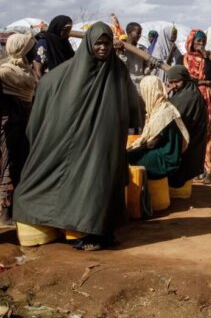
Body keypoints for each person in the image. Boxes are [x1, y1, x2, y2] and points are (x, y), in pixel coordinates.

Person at [13, 22, 141, 251]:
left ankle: (103, 231)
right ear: (89, 44)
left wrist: (133, 122)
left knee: (103, 183)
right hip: (81, 140)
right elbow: (52, 92)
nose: (103, 48)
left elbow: (131, 101)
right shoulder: (70, 73)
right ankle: (87, 232)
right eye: (98, 43)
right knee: (87, 182)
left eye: (107, 43)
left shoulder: (118, 70)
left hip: (108, 139)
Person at [0, 33, 38, 225]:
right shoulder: (5, 72)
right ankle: (4, 213)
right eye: (32, 49)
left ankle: (16, 208)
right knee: (7, 165)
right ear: (22, 50)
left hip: (25, 122)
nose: (36, 52)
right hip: (10, 123)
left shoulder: (29, 71)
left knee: (22, 165)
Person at [127, 76, 190, 179]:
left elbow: (152, 144)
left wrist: (133, 149)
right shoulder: (163, 107)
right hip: (166, 154)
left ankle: (141, 193)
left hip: (167, 160)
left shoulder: (162, 113)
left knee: (127, 158)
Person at [183, 30, 211, 183]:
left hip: (208, 100)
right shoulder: (184, 59)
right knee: (192, 135)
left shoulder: (210, 58)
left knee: (208, 136)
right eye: (198, 40)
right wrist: (200, 82)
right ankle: (196, 169)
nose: (202, 43)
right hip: (191, 99)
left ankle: (208, 170)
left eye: (204, 40)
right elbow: (184, 79)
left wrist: (205, 58)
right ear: (191, 41)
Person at [165, 65, 209, 189]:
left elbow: (171, 118)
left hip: (189, 143)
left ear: (185, 79)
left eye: (176, 82)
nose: (173, 85)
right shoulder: (185, 91)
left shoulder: (188, 96)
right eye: (170, 82)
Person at [119, 22, 149, 88]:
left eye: (140, 33)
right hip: (126, 83)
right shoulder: (120, 48)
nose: (139, 35)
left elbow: (146, 68)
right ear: (129, 32)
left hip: (141, 84)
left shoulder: (143, 49)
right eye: (138, 33)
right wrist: (121, 54)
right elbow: (120, 68)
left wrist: (150, 68)